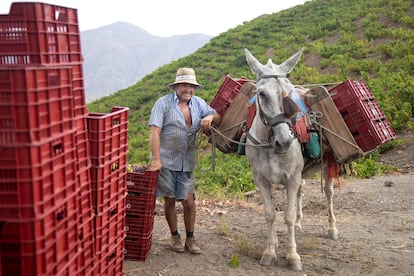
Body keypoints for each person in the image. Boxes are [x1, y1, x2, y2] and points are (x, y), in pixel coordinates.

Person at [148, 68, 221, 254]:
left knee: (188, 202)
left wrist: (210, 117)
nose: (187, 88)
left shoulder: (198, 104)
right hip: (166, 160)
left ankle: (190, 238)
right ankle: (174, 236)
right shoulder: (163, 104)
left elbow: (217, 115)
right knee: (170, 199)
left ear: (194, 88)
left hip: (186, 161)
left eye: (190, 85)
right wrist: (156, 160)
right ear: (176, 86)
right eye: (183, 85)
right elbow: (154, 131)